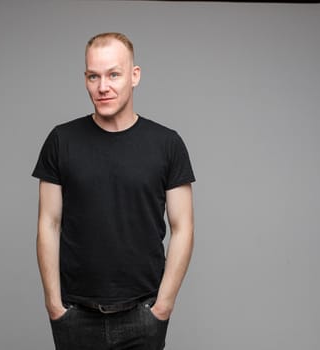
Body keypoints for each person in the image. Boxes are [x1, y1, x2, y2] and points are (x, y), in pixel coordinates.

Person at [32, 32, 195, 350]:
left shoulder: (167, 144)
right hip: (75, 314)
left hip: (143, 314)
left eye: (113, 74)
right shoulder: (61, 141)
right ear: (85, 78)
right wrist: (55, 306)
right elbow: (47, 224)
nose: (102, 87)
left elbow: (183, 227)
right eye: (94, 76)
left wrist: (163, 307)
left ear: (134, 76)